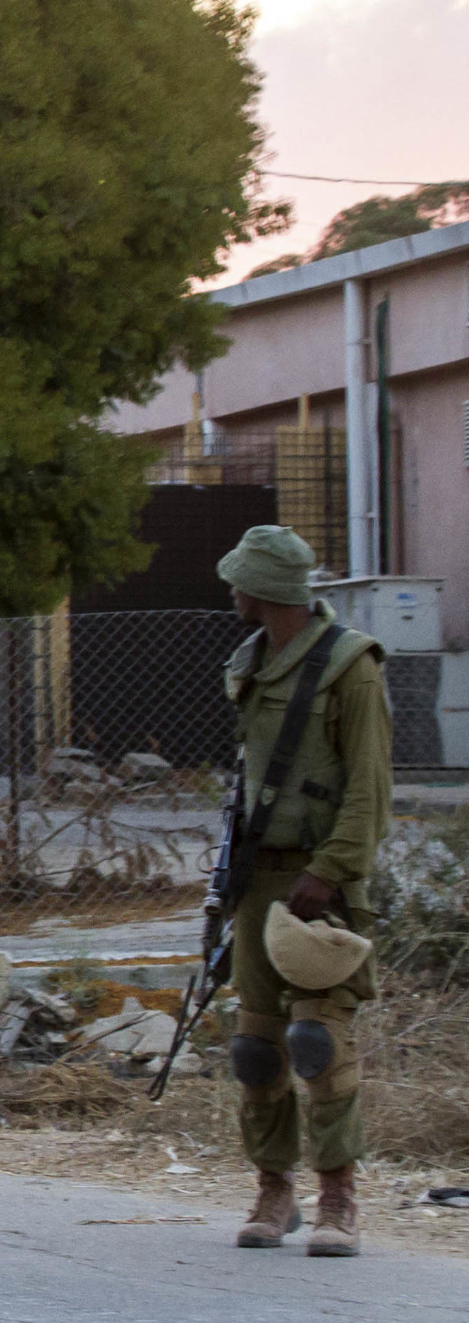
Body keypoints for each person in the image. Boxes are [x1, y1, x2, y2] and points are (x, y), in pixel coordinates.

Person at [214, 524, 392, 1257]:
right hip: (261, 877)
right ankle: (273, 1187)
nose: (231, 590)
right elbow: (249, 783)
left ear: (265, 589)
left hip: (325, 883)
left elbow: (370, 788)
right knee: (257, 1047)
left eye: (239, 579)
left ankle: (339, 1197)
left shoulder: (350, 667)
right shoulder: (251, 662)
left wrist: (330, 872)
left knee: (317, 1042)